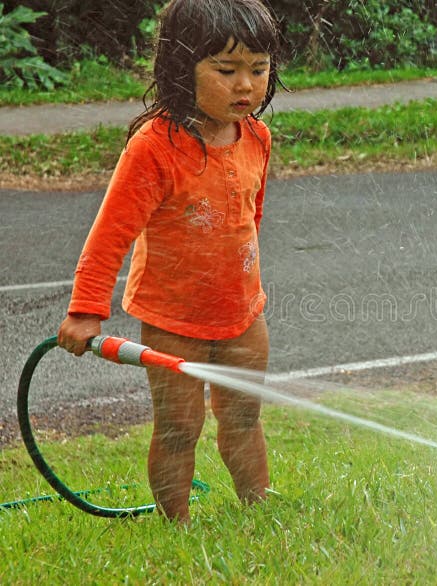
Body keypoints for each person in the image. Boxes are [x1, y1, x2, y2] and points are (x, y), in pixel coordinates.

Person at [57, 0, 283, 524]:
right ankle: (175, 524)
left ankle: (259, 509)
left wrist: (241, 282)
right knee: (180, 428)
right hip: (172, 319)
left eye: (259, 68)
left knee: (245, 416)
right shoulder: (155, 147)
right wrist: (87, 308)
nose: (245, 85)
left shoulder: (257, 137)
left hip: (245, 315)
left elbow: (252, 216)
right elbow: (110, 235)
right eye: (226, 71)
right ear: (182, 68)